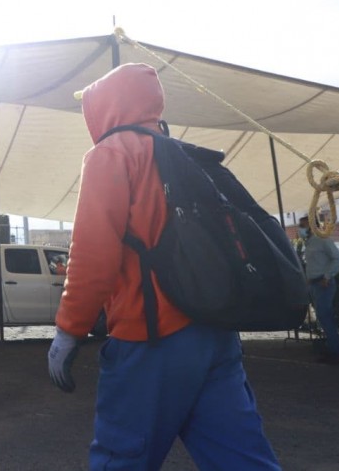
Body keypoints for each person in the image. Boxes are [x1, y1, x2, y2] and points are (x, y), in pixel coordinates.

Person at [47, 63, 281, 469]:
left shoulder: (111, 154)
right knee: (242, 458)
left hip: (151, 336)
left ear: (105, 106)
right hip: (215, 332)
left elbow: (93, 257)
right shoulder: (183, 154)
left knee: (122, 456)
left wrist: (69, 329)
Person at [299, 215, 339, 365]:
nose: (301, 229)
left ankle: (336, 352)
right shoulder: (310, 243)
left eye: (304, 225)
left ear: (313, 226)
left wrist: (327, 276)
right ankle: (332, 350)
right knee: (323, 318)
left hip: (323, 284)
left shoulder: (323, 240)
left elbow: (338, 259)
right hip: (314, 284)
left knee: (325, 317)